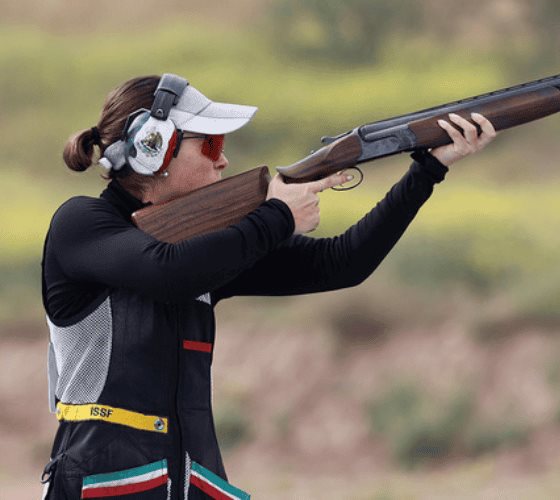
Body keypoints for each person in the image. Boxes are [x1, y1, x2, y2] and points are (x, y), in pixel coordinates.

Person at [41, 73, 497, 499]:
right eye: (210, 144)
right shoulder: (80, 224)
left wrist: (427, 170)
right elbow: (166, 272)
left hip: (195, 481)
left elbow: (343, 263)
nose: (223, 158)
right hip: (104, 482)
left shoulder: (206, 248)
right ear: (152, 148)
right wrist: (278, 215)